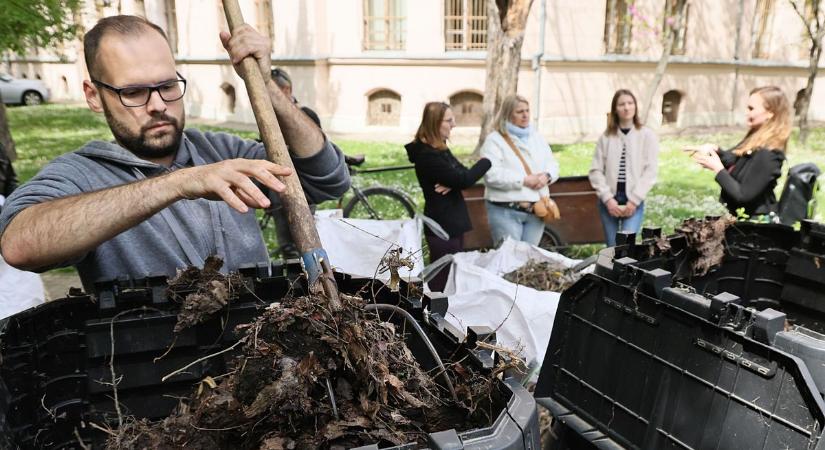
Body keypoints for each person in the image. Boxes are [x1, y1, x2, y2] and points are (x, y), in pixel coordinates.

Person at [0, 15, 349, 292]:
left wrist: (264, 84)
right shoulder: (80, 174)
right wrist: (179, 183)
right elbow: (20, 244)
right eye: (133, 92)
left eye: (167, 86)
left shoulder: (221, 151)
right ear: (94, 95)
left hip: (256, 357)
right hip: (155, 372)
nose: (157, 105)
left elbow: (328, 178)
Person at [405, 102, 491, 292]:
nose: (453, 125)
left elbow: (460, 175)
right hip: (441, 226)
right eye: (449, 120)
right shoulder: (427, 155)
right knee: (441, 280)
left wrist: (454, 181)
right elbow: (465, 178)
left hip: (452, 222)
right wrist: (485, 161)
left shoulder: (439, 149)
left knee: (453, 277)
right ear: (436, 123)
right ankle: (432, 317)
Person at [691, 86, 791, 219]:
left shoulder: (769, 153)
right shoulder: (756, 137)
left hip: (757, 225)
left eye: (751, 109)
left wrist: (717, 168)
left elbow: (742, 195)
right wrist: (715, 150)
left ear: (770, 113)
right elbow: (735, 159)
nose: (746, 112)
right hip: (743, 218)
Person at [479, 94, 559, 246]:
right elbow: (491, 174)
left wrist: (547, 176)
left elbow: (553, 164)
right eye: (519, 111)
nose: (525, 115)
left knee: (529, 261)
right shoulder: (494, 140)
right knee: (509, 262)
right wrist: (523, 180)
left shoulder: (536, 137)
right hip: (505, 211)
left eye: (527, 110)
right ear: (508, 114)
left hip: (536, 210)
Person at [588, 89, 659, 247]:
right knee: (612, 248)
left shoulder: (647, 135)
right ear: (615, 109)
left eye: (630, 103)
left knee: (627, 247)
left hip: (633, 202)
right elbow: (596, 170)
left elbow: (651, 171)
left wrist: (634, 201)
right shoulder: (606, 137)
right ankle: (612, 273)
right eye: (621, 104)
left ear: (635, 107)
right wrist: (608, 199)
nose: (626, 107)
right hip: (609, 202)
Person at [267, 67, 324, 259]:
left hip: (303, 190)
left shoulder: (305, 115)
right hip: (278, 189)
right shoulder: (269, 116)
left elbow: (317, 152)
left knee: (308, 242)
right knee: (287, 246)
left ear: (287, 90)